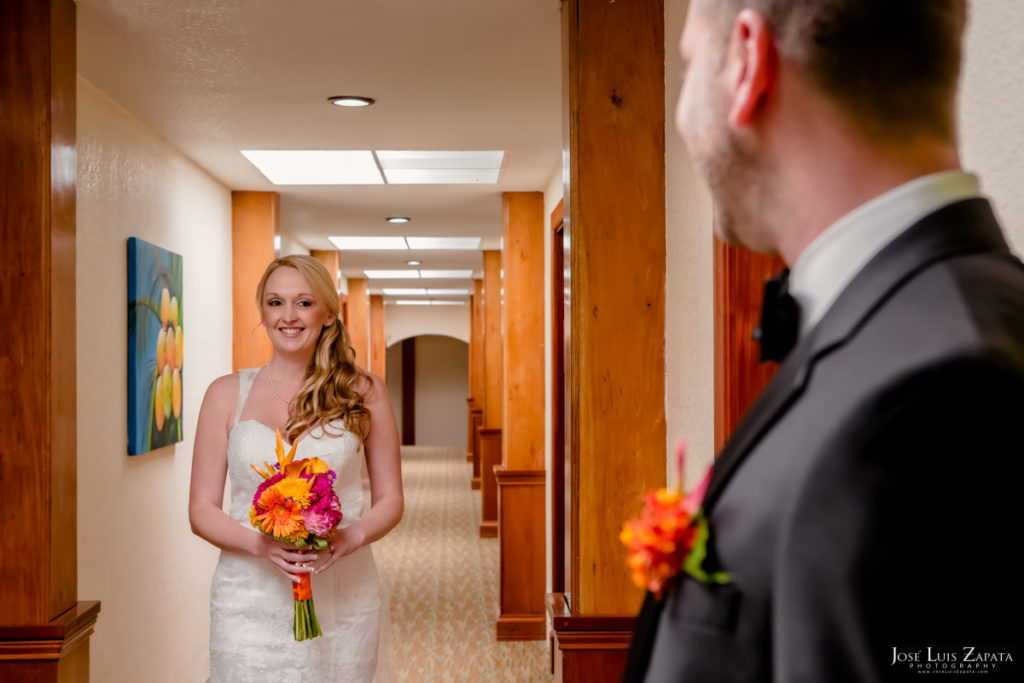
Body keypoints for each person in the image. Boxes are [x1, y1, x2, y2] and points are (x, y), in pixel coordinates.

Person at [626, 1, 1023, 681]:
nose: (683, 114)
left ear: (747, 63)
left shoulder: (937, 397)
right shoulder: (926, 323)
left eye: (690, 64)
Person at [189, 254, 403, 681]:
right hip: (246, 597)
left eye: (303, 303)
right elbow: (201, 509)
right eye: (275, 303)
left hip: (341, 588)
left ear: (327, 313)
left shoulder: (364, 391)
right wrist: (260, 545)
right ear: (263, 312)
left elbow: (391, 497)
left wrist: (352, 536)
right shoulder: (224, 394)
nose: (288, 316)